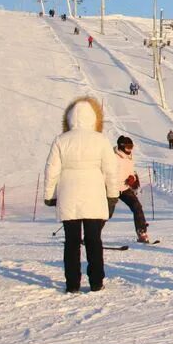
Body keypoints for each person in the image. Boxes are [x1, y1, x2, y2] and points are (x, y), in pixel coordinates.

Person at [43, 97, 118, 293]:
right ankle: (96, 281)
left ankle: (72, 283)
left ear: (68, 119)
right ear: (94, 119)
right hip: (94, 194)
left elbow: (51, 170)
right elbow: (111, 171)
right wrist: (112, 194)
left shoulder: (61, 140)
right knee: (94, 240)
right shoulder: (100, 140)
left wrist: (50, 195)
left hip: (69, 194)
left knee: (71, 241)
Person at [112, 136, 151, 243]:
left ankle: (142, 232)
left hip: (124, 188)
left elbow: (131, 171)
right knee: (105, 213)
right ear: (121, 146)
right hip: (112, 188)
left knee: (136, 206)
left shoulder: (129, 157)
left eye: (131, 147)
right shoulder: (112, 157)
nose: (130, 150)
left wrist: (133, 178)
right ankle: (92, 236)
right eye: (128, 147)